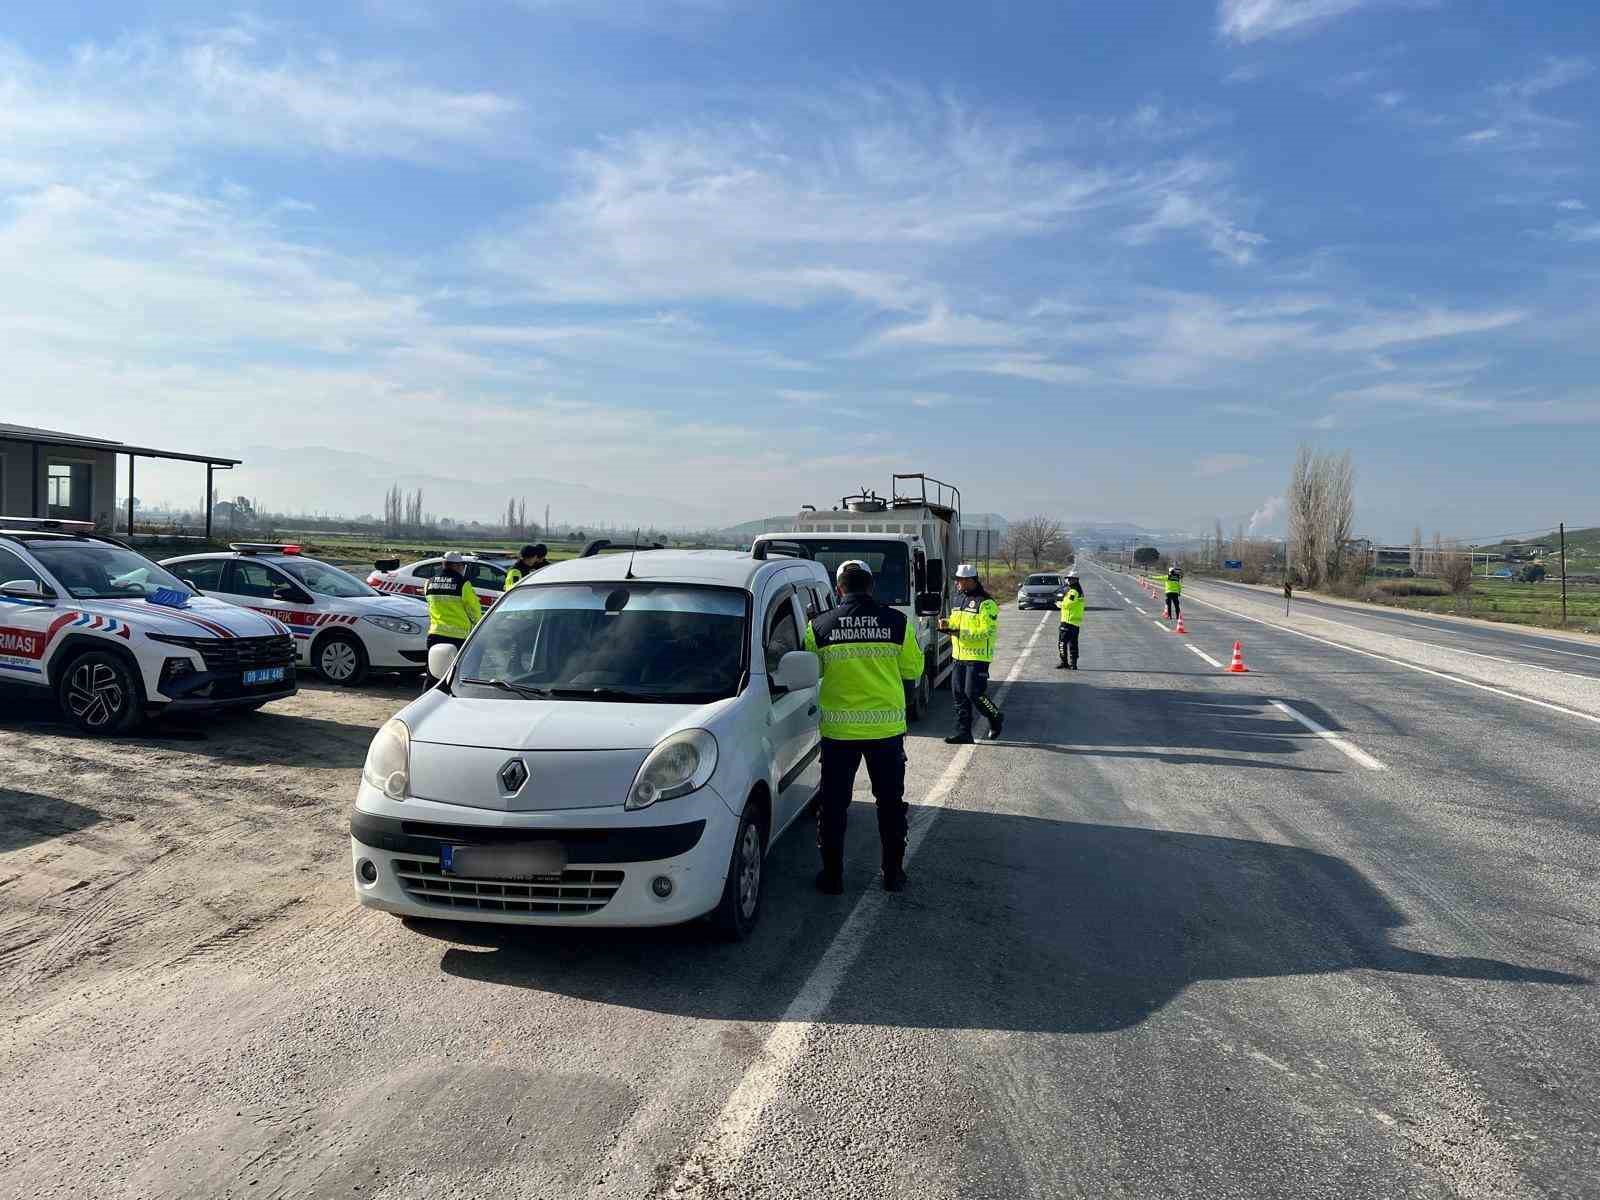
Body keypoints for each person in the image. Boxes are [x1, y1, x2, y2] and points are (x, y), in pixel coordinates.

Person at [804, 559, 926, 894]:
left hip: (839, 734)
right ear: (871, 587)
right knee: (890, 804)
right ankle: (893, 875)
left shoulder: (819, 626)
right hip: (886, 733)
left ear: (840, 587)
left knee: (833, 806)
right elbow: (913, 668)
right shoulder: (898, 622)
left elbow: (809, 672)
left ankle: (831, 877)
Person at [941, 563, 1004, 743]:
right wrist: (946, 625)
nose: (957, 584)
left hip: (977, 657)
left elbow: (988, 631)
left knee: (974, 694)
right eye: (957, 580)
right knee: (959, 695)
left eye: (960, 580)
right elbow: (956, 622)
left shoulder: (987, 603)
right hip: (959, 655)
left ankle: (995, 717)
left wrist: (961, 633)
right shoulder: (957, 599)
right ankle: (964, 733)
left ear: (971, 580)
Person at [424, 552, 482, 684]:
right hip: (458, 637)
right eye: (461, 565)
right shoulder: (463, 583)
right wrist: (477, 626)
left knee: (433, 674)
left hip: (435, 634)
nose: (462, 568)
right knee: (456, 676)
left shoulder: (429, 582)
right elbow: (474, 610)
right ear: (456, 565)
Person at [1057, 570, 1084, 670]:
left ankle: (1064, 662)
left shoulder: (1073, 592)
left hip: (1068, 621)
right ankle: (1073, 664)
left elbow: (1068, 604)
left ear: (1073, 580)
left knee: (1061, 642)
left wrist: (1059, 604)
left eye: (1068, 579)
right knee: (1073, 644)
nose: (1067, 581)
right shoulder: (1079, 590)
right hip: (1075, 623)